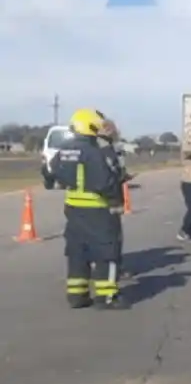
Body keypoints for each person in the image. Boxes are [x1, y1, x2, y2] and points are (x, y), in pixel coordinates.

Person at [49, 108, 126, 309]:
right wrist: (116, 201)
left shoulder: (63, 149)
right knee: (107, 252)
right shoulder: (95, 152)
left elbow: (49, 174)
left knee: (77, 251)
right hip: (98, 209)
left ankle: (77, 295)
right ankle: (106, 297)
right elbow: (106, 180)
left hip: (73, 209)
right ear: (91, 125)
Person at [96, 119, 129, 277]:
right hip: (110, 198)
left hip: (98, 200)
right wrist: (123, 175)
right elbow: (116, 171)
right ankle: (112, 268)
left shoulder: (95, 146)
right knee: (113, 236)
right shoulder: (107, 148)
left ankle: (100, 265)